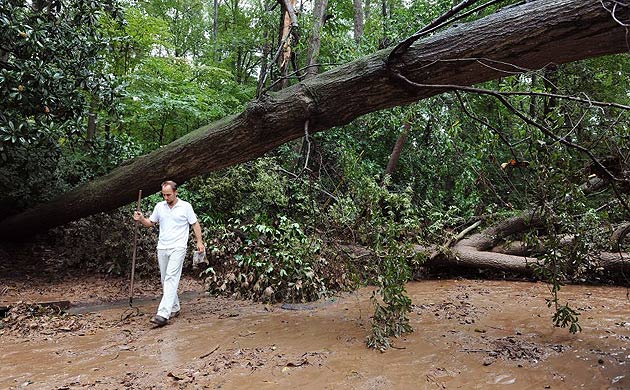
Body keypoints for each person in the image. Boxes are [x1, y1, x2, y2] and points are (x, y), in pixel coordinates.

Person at [133, 180, 205, 327]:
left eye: (169, 195)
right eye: (164, 195)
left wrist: (199, 242)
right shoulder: (159, 206)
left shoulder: (185, 206)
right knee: (165, 279)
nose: (166, 198)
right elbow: (150, 223)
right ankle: (174, 307)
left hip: (178, 247)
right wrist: (141, 219)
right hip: (162, 247)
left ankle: (163, 314)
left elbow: (195, 224)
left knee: (171, 277)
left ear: (175, 192)